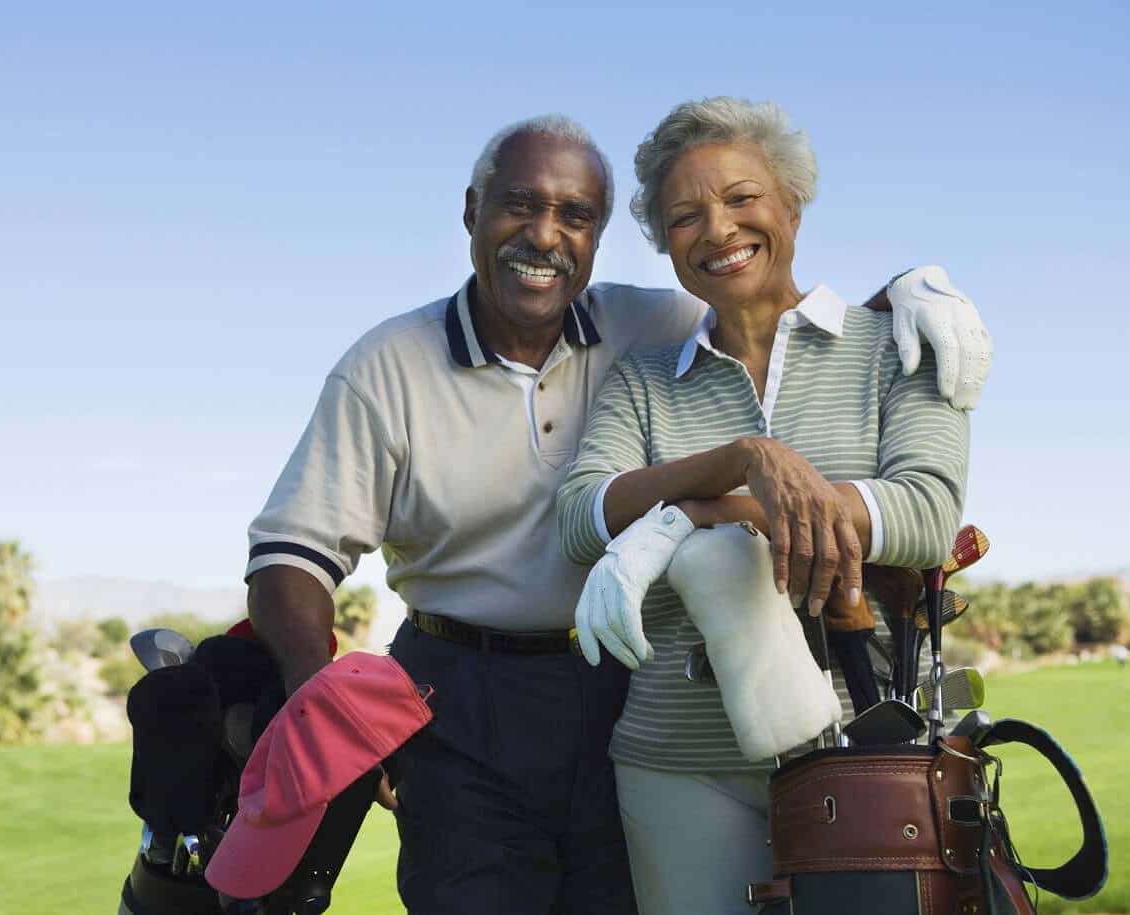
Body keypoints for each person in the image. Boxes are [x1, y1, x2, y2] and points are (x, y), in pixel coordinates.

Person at [244, 114, 990, 914]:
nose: (544, 235)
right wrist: (311, 692)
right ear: (471, 212)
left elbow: (774, 301)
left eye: (574, 215)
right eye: (518, 206)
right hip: (462, 691)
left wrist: (916, 280)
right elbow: (295, 551)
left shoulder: (651, 325)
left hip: (610, 677)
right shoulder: (394, 365)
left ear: (597, 237)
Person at [556, 97, 972, 913]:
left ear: (791, 202)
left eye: (741, 198)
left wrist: (691, 514)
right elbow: (580, 517)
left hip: (866, 752)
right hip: (676, 761)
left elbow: (923, 513)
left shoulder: (899, 344)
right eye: (684, 215)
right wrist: (748, 461)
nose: (716, 228)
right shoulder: (642, 381)